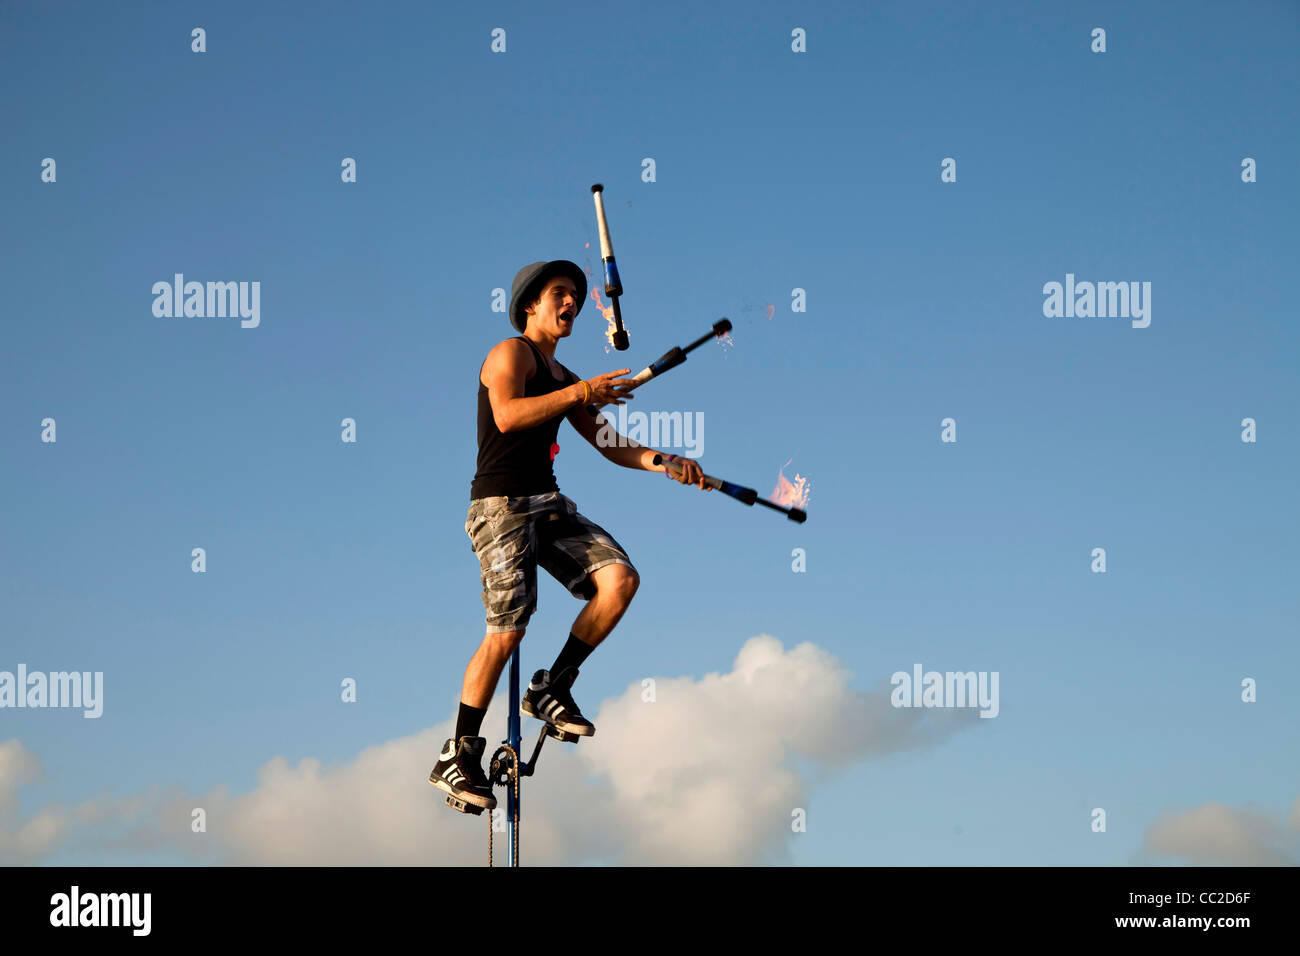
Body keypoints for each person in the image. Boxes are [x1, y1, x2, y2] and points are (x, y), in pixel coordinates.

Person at [429, 260, 710, 810]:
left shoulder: (566, 379)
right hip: (500, 506)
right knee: (508, 630)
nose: (571, 304)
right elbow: (508, 415)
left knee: (620, 580)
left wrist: (664, 461)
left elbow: (609, 443)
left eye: (576, 298)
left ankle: (550, 687)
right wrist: (581, 392)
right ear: (530, 305)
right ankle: (457, 753)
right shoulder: (511, 353)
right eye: (560, 294)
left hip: (548, 503)